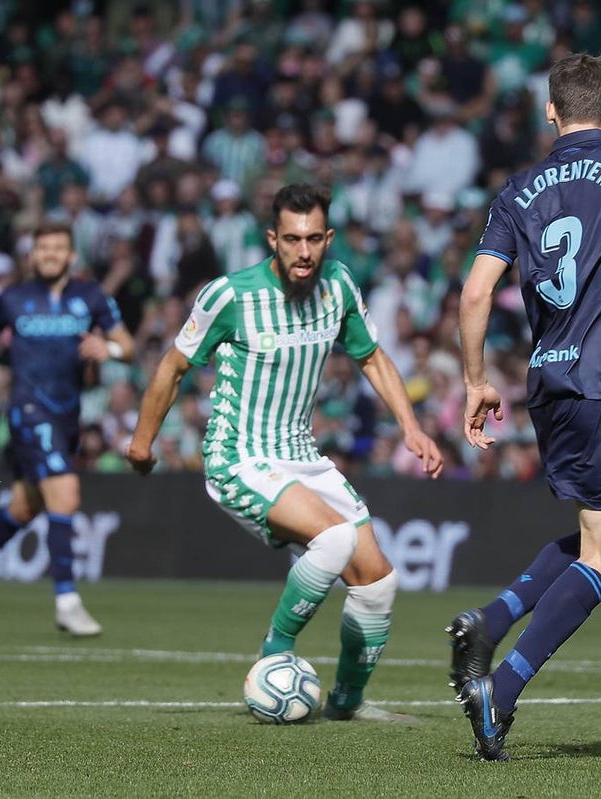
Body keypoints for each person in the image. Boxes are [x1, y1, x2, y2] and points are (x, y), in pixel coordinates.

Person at [125, 183, 442, 722]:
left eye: (313, 238)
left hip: (301, 454)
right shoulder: (230, 296)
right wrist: (141, 442)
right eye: (292, 239)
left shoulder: (339, 285)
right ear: (273, 239)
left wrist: (411, 427)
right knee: (335, 538)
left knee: (378, 583)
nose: (303, 251)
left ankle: (347, 703)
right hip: (239, 456)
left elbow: (371, 357)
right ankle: (274, 652)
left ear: (328, 238)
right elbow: (173, 367)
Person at [449, 53, 601, 761]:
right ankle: (502, 687)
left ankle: (491, 622)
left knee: (594, 538)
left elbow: (475, 293)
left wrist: (475, 380)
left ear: (551, 112)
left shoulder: (517, 189)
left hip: (548, 384)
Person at [0, 222, 136, 636]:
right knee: (65, 492)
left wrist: (108, 348)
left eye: (58, 248)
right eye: (43, 248)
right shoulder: (11, 298)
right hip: (28, 409)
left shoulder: (91, 296)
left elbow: (128, 346)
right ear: (32, 255)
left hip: (67, 416)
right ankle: (67, 601)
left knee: (24, 506)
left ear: (72, 255)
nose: (50, 254)